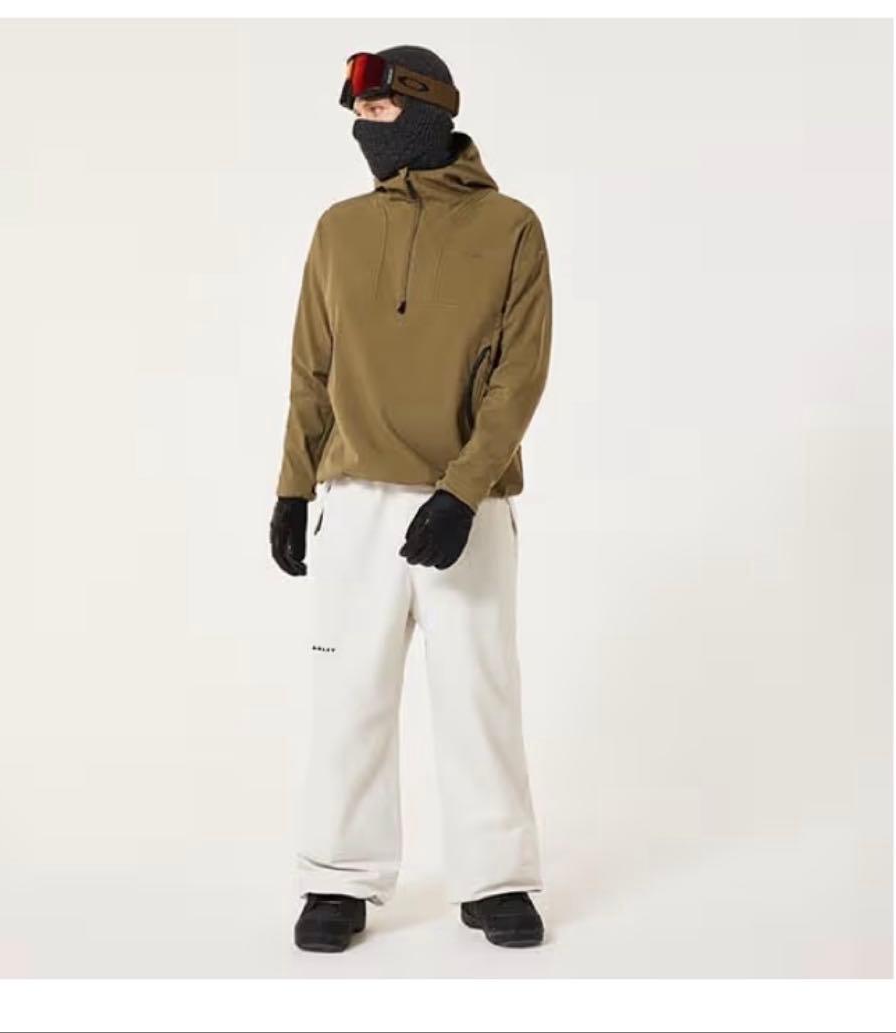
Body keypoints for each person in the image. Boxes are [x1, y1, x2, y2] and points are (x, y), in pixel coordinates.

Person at [269, 45, 553, 952]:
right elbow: (311, 369)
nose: (365, 128)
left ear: (431, 110)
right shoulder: (339, 229)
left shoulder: (511, 228)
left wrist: (463, 493)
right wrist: (292, 487)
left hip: (466, 505)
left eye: (381, 111)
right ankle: (337, 878)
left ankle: (496, 878)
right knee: (348, 694)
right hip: (354, 500)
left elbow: (518, 375)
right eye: (358, 114)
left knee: (479, 693)